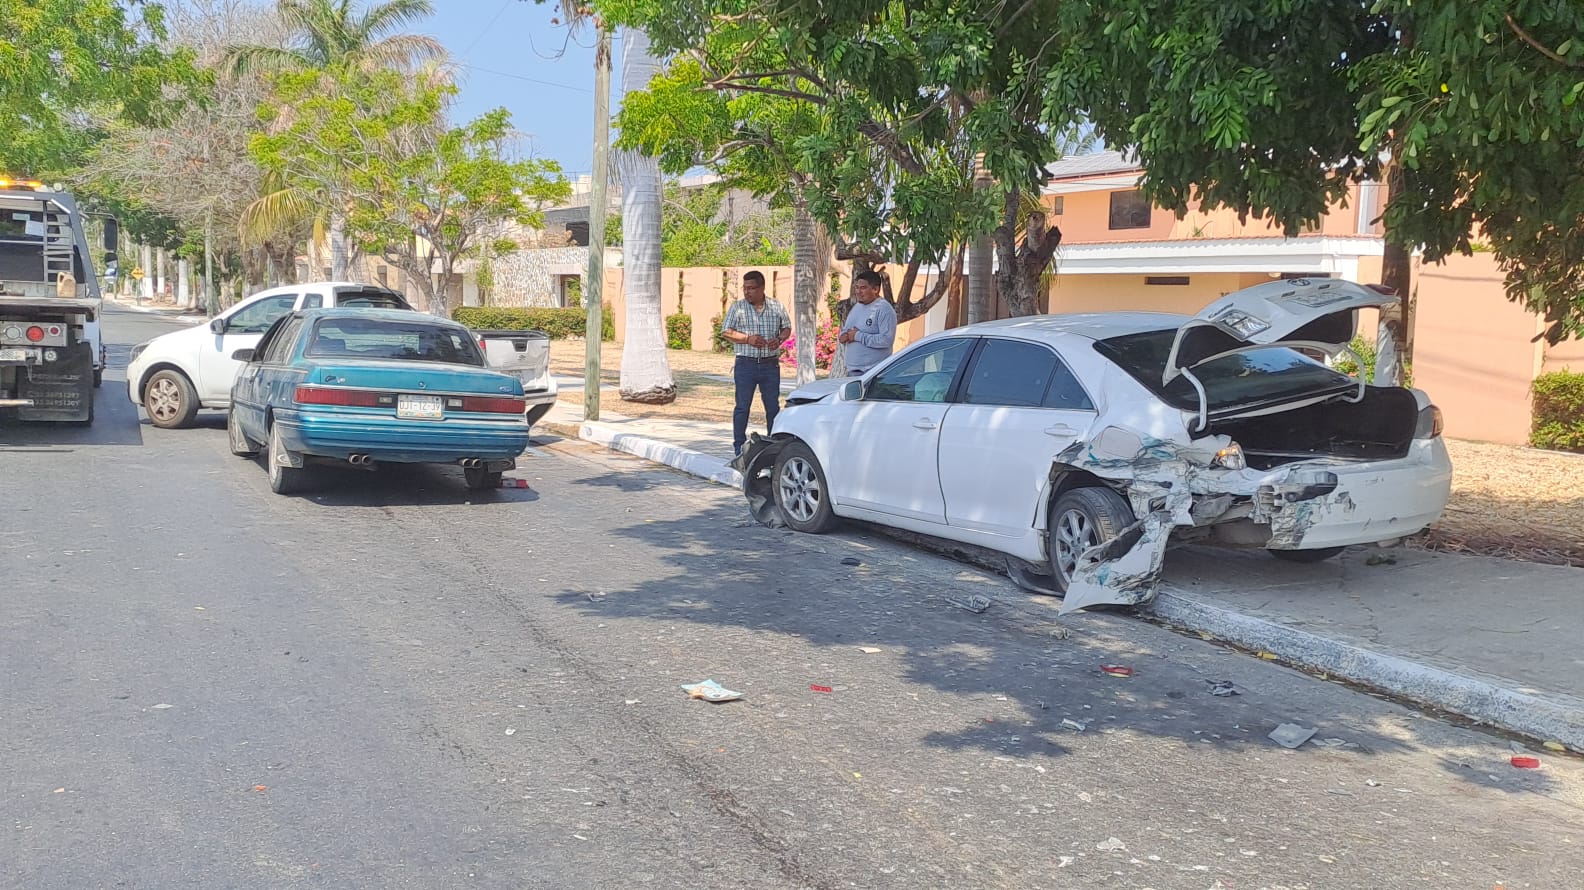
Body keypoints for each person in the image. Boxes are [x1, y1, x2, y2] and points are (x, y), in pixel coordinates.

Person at [722, 270, 792, 455]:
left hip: (770, 364)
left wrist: (779, 339)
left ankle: (774, 444)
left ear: (762, 288)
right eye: (745, 288)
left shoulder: (776, 306)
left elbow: (786, 327)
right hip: (746, 363)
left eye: (751, 288)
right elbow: (726, 331)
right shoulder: (738, 307)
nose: (747, 292)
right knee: (742, 406)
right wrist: (747, 339)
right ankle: (739, 446)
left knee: (772, 406)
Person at [838, 270, 897, 376]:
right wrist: (844, 336)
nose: (858, 292)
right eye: (856, 287)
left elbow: (886, 340)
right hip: (853, 371)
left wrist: (857, 336)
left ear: (875, 289)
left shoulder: (884, 309)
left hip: (872, 373)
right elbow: (847, 330)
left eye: (863, 288)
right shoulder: (857, 307)